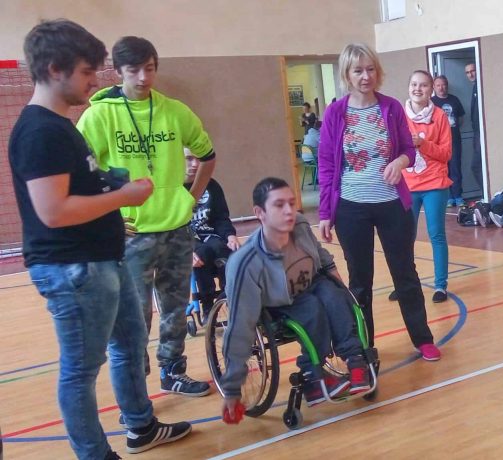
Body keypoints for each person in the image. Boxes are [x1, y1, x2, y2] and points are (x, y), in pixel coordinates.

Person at [9, 20, 191, 459]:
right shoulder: (40, 131)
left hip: (103, 258)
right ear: (55, 70)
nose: (95, 81)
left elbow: (75, 189)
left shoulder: (61, 125)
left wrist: (109, 190)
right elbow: (53, 212)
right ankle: (94, 453)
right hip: (74, 269)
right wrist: (123, 198)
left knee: (129, 343)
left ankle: (141, 426)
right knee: (81, 370)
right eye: (87, 72)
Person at [77, 36, 215, 396]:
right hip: (131, 235)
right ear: (118, 71)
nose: (143, 77)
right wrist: (106, 213)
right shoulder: (99, 116)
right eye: (134, 70)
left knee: (175, 309)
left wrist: (189, 198)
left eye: (150, 69)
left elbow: (208, 155)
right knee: (134, 316)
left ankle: (173, 372)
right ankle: (135, 389)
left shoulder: (175, 111)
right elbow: (79, 173)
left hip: (177, 229)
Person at [317, 43, 440, 361]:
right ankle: (364, 346)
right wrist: (325, 213)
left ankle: (422, 338)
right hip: (350, 207)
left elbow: (408, 150)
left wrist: (400, 162)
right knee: (360, 281)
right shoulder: (335, 113)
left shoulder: (392, 108)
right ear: (347, 74)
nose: (365, 76)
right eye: (358, 70)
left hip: (391, 205)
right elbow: (327, 165)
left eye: (370, 69)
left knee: (405, 274)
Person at [220, 178, 371, 417]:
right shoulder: (245, 262)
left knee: (336, 297)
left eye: (291, 203)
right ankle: (312, 374)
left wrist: (338, 282)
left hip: (313, 283)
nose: (289, 211)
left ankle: (356, 361)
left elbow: (319, 254)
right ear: (259, 213)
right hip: (281, 303)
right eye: (279, 205)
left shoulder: (300, 224)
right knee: (312, 307)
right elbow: (239, 326)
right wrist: (231, 387)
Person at [397, 70, 452, 303]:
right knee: (404, 237)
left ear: (431, 90)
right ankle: (405, 284)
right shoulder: (399, 115)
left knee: (436, 234)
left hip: (434, 184)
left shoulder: (439, 116)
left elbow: (446, 154)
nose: (417, 89)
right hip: (407, 185)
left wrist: (422, 143)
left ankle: (440, 286)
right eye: (414, 84)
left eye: (423, 85)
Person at [184, 149, 239, 321]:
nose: (195, 164)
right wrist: (185, 250)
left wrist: (230, 235)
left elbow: (221, 218)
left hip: (211, 236)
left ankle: (230, 297)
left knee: (224, 249)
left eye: (198, 159)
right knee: (201, 254)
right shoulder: (173, 190)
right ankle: (207, 305)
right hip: (187, 238)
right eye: (188, 159)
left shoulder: (212, 186)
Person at [431, 75, 466, 207]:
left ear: (447, 86)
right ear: (434, 87)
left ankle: (458, 196)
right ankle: (448, 197)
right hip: (438, 143)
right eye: (438, 85)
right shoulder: (431, 103)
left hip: (454, 140)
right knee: (443, 169)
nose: (441, 88)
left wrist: (451, 129)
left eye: (443, 85)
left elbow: (461, 119)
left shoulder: (454, 100)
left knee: (455, 167)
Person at [465, 62, 483, 189]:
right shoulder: (475, 87)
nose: (470, 74)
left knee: (476, 166)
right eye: (467, 72)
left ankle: (485, 193)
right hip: (476, 132)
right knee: (477, 166)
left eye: (473, 71)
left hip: (481, 133)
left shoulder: (480, 86)